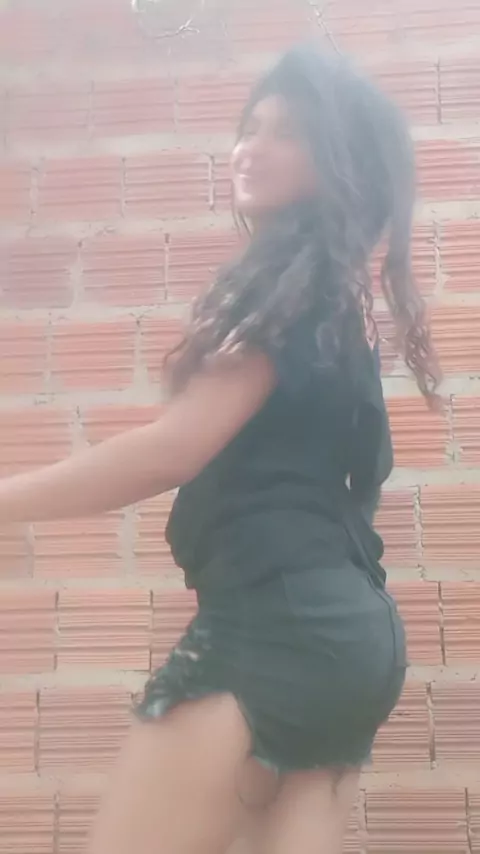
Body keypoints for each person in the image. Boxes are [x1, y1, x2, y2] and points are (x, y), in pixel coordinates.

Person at [0, 45, 441, 854]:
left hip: (277, 625)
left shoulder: (288, 289)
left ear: (338, 162)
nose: (252, 147)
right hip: (351, 640)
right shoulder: (335, 296)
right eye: (251, 126)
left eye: (289, 133)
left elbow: (172, 450)